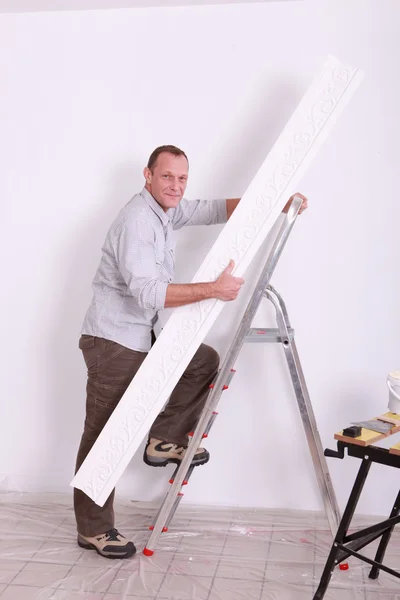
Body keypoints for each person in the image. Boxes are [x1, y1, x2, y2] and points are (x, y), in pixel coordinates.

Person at [73, 145, 308, 559]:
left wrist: (278, 204)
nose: (176, 186)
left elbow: (212, 209)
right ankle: (94, 529)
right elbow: (147, 294)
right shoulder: (137, 221)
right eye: (167, 177)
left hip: (141, 337)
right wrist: (214, 290)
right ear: (148, 176)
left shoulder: (165, 210)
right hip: (112, 342)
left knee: (202, 362)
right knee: (103, 437)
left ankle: (162, 439)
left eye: (182, 178)